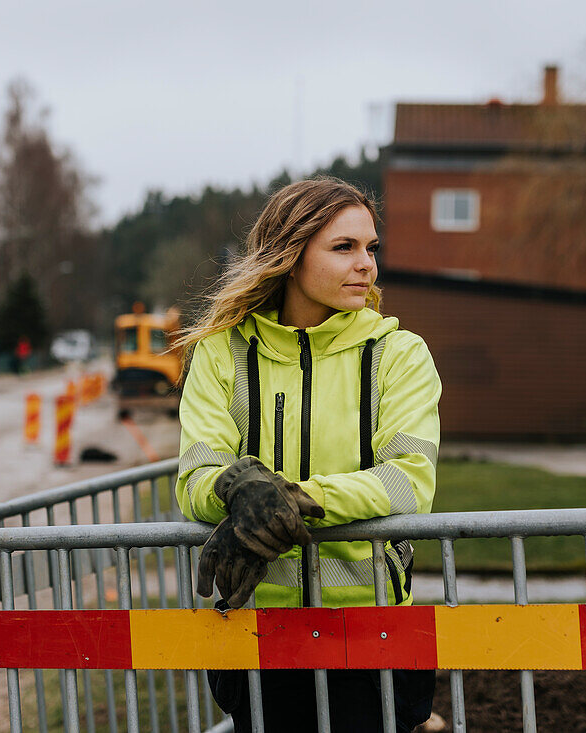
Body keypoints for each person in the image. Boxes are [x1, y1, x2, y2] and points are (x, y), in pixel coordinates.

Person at [174, 177, 442, 732]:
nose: (366, 264)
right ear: (290, 257)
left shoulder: (399, 354)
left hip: (371, 633)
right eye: (343, 248)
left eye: (371, 247)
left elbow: (407, 483)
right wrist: (235, 488)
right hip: (256, 633)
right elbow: (194, 477)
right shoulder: (221, 352)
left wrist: (290, 498)